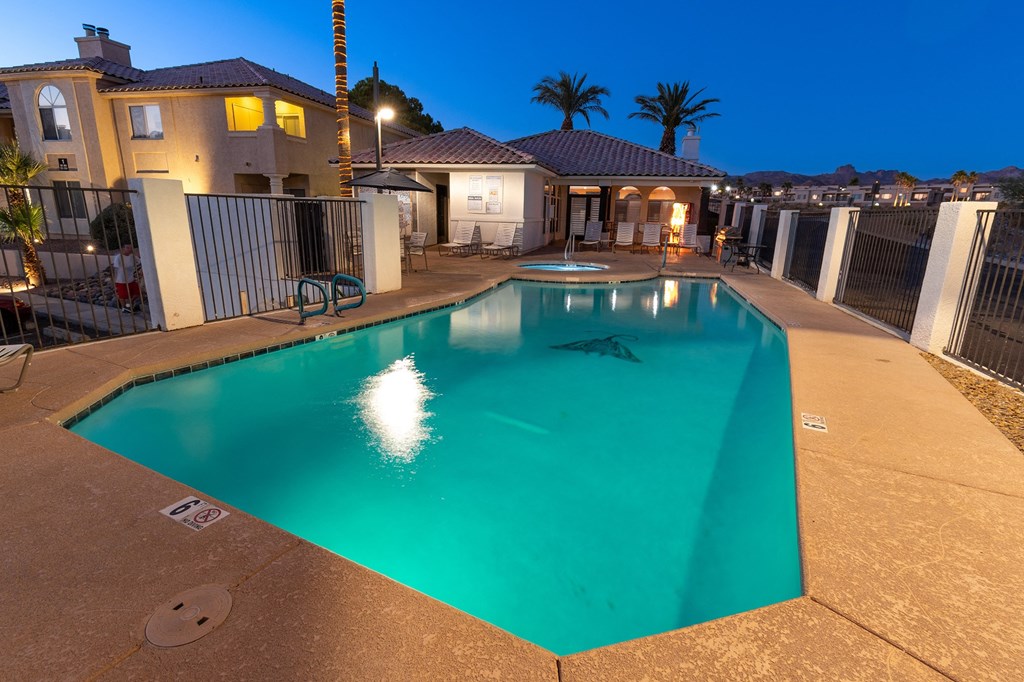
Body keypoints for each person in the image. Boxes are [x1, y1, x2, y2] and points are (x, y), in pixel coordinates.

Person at [111, 243, 143, 312]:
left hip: (130, 279)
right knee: (123, 295)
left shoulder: (133, 257)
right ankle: (124, 307)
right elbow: (115, 269)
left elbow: (140, 261)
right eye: (127, 248)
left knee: (137, 292)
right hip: (121, 280)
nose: (129, 249)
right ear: (123, 249)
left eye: (131, 248)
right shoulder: (118, 257)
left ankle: (128, 306)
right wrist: (114, 279)